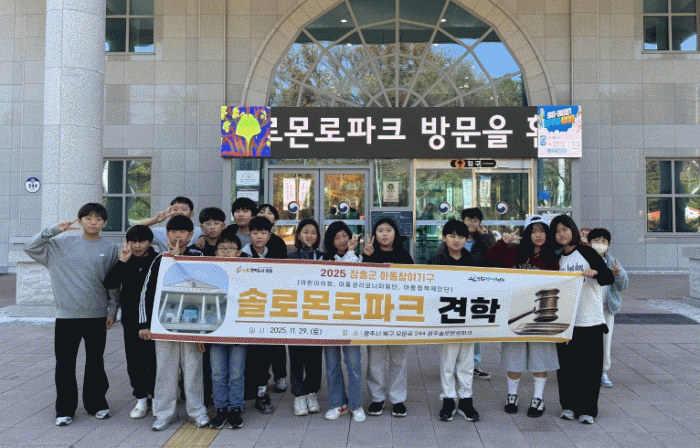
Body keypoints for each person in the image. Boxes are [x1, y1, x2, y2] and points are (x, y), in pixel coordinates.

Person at [24, 203, 120, 427]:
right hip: (66, 317)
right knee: (65, 364)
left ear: (105, 223)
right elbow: (30, 247)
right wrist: (54, 230)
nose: (93, 222)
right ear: (79, 220)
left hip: (97, 314)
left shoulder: (110, 248)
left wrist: (113, 310)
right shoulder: (59, 245)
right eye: (88, 218)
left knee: (95, 362)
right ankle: (65, 409)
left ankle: (96, 404)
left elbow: (113, 283)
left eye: (98, 219)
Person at [138, 215, 209, 431]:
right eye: (173, 232)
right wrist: (144, 324)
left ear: (191, 235)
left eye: (183, 232)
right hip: (164, 324)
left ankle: (197, 411)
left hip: (192, 325)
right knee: (165, 369)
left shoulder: (200, 257)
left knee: (193, 369)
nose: (178, 236)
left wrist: (205, 330)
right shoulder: (159, 259)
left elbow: (205, 289)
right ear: (167, 235)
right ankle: (164, 413)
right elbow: (147, 292)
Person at [485, 215, 559, 418]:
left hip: (541, 316)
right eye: (534, 231)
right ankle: (512, 396)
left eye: (542, 231)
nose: (538, 235)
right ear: (527, 234)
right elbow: (488, 260)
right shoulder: (513, 251)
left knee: (540, 356)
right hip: (515, 314)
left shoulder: (552, 257)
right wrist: (502, 243)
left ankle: (538, 398)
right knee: (513, 356)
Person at [550, 215, 614, 425]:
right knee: (567, 368)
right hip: (565, 322)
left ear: (573, 230)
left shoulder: (587, 252)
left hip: (590, 321)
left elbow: (608, 277)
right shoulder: (556, 259)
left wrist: (595, 273)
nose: (561, 234)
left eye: (565, 229)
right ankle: (568, 406)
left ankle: (588, 410)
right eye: (557, 231)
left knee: (590, 369)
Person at [103, 225, 159, 419]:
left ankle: (156, 397)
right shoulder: (126, 261)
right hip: (131, 320)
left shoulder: (158, 260)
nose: (137, 246)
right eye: (133, 241)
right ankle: (141, 398)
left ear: (149, 242)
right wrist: (122, 261)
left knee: (154, 360)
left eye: (141, 241)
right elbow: (109, 283)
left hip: (155, 321)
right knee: (135, 361)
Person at [428, 219, 480, 422]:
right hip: (446, 318)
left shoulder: (473, 261)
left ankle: (466, 400)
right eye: (452, 235)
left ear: (467, 239)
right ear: (444, 238)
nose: (456, 240)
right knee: (448, 362)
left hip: (468, 319)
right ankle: (448, 400)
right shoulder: (436, 261)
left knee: (467, 362)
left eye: (460, 236)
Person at [362, 218, 414, 417]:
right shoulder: (369, 254)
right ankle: (377, 398)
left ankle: (398, 399)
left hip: (398, 315)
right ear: (374, 235)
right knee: (375, 359)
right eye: (380, 230)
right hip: (375, 314)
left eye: (389, 230)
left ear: (395, 234)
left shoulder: (404, 255)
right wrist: (366, 258)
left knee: (399, 359)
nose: (384, 234)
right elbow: (359, 282)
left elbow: (414, 283)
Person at [321, 222, 366, 422]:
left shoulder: (359, 258)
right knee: (332, 366)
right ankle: (337, 403)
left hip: (350, 320)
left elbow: (354, 275)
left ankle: (356, 405)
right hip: (329, 320)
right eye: (336, 237)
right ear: (330, 241)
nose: (341, 241)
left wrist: (351, 252)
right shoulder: (323, 260)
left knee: (354, 365)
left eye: (344, 236)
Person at [241, 216, 286, 413]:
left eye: (263, 233)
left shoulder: (276, 254)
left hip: (268, 314)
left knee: (264, 355)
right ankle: (247, 390)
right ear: (248, 234)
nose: (259, 237)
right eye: (255, 233)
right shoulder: (240, 255)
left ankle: (262, 393)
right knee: (248, 356)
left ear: (269, 235)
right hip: (246, 313)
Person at [208, 227, 247, 429]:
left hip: (239, 332)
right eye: (222, 248)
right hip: (215, 332)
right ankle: (221, 408)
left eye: (230, 248)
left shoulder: (247, 273)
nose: (226, 252)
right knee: (218, 374)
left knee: (236, 373)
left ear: (239, 252)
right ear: (216, 252)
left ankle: (235, 407)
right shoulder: (209, 273)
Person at [288, 219, 324, 416]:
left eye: (313, 232)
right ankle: (299, 395)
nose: (309, 235)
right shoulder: (290, 257)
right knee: (296, 357)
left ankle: (312, 392)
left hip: (317, 314)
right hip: (295, 314)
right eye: (305, 232)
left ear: (318, 237)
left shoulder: (324, 257)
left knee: (314, 357)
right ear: (298, 235)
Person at [587, 228, 629, 389]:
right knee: (586, 341)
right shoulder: (584, 260)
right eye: (596, 240)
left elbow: (623, 285)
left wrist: (618, 275)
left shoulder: (613, 262)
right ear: (589, 243)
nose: (600, 243)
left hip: (606, 308)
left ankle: (603, 371)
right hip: (587, 308)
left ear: (609, 245)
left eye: (604, 241)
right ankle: (585, 370)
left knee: (605, 341)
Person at [461, 207, 495, 380]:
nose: (472, 223)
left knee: (474, 328)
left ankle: (475, 365)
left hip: (476, 289)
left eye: (476, 220)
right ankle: (456, 365)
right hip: (457, 289)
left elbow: (492, 256)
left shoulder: (483, 240)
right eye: (469, 219)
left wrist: (486, 237)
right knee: (456, 327)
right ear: (463, 221)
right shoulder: (456, 237)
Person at [139, 196, 203, 253]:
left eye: (184, 209)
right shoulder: (160, 232)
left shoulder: (199, 231)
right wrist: (155, 220)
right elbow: (135, 231)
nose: (179, 212)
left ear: (191, 213)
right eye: (175, 209)